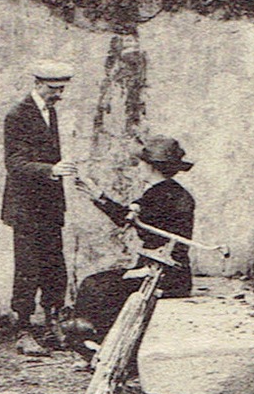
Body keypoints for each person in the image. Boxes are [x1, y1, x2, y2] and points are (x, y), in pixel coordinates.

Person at [67, 136, 196, 352]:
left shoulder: (161, 195)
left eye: (141, 164)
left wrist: (99, 197)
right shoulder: (170, 192)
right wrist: (100, 197)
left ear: (152, 167)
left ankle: (98, 345)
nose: (139, 168)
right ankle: (99, 344)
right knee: (103, 284)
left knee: (95, 286)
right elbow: (131, 216)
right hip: (171, 272)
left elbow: (128, 219)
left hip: (162, 274)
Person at [1, 60, 78, 356]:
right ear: (38, 85)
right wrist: (52, 170)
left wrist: (56, 173)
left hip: (49, 205)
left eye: (61, 89)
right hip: (25, 206)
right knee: (28, 268)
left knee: (54, 266)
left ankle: (52, 323)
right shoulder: (17, 115)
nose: (58, 94)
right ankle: (23, 329)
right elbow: (15, 164)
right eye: (53, 89)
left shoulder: (51, 112)